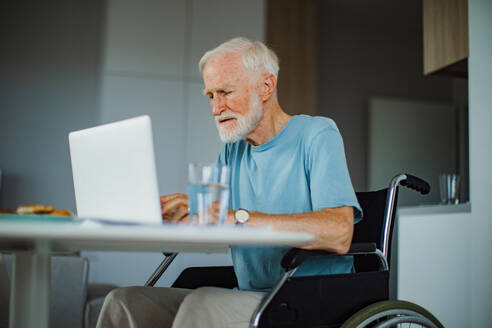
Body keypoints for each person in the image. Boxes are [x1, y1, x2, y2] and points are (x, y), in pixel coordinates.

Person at [96, 37, 362, 328]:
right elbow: (217, 225)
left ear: (266, 87)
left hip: (309, 298)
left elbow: (339, 232)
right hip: (248, 296)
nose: (215, 108)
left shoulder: (316, 134)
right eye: (210, 95)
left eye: (225, 92)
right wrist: (179, 221)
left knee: (203, 303)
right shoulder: (233, 151)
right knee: (123, 302)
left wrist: (239, 217)